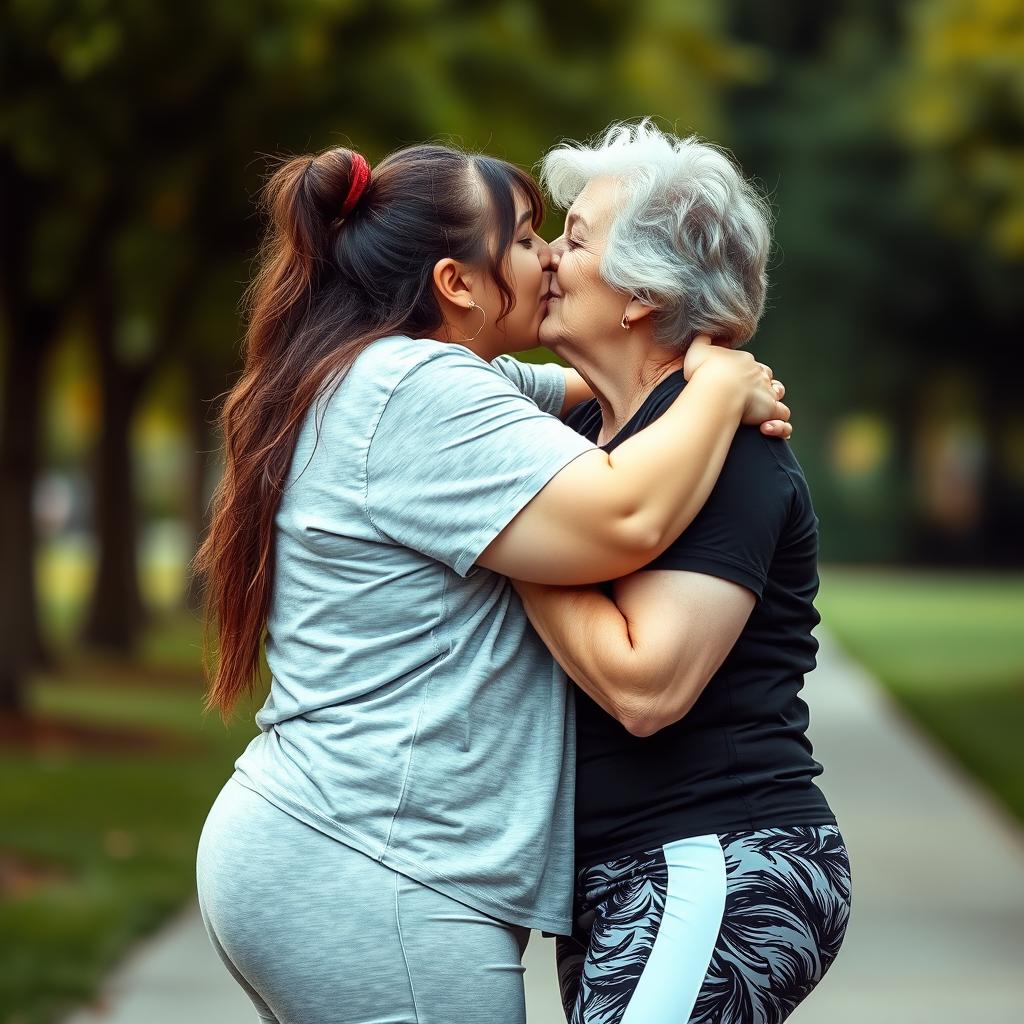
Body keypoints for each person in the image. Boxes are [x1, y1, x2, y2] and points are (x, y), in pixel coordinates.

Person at [194, 140, 790, 1024]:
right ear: (457, 282)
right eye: (522, 242)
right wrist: (720, 385)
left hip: (338, 847)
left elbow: (600, 396)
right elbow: (622, 517)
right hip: (380, 866)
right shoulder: (418, 389)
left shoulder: (411, 373)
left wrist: (665, 368)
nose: (548, 259)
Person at [513, 122, 851, 1024]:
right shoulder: (597, 441)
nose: (545, 257)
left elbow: (647, 683)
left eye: (575, 238)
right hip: (625, 869)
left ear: (644, 293)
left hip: (716, 852)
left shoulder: (736, 454)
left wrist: (509, 541)